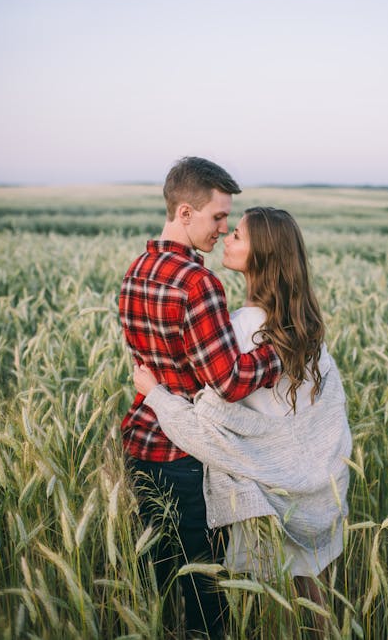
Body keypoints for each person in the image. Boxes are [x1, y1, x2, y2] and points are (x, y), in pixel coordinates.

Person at [134, 206, 352, 626]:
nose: (226, 239)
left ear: (262, 255)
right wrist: (306, 470)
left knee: (268, 608)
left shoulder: (237, 330)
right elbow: (325, 419)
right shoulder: (306, 330)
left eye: (236, 235)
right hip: (315, 491)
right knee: (313, 599)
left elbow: (208, 430)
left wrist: (156, 395)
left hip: (267, 502)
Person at [119, 158, 282, 639]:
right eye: (217, 217)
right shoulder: (198, 282)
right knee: (207, 592)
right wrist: (280, 352)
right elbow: (228, 381)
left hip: (143, 442)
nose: (224, 228)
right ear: (185, 212)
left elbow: (150, 365)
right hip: (189, 454)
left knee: (164, 581)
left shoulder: (137, 270)